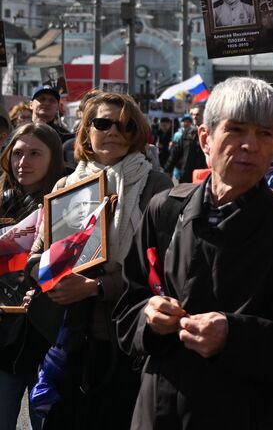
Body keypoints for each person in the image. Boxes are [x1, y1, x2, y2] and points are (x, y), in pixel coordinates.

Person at [113, 76, 273, 429]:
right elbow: (127, 310)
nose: (250, 145)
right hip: (158, 414)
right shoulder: (165, 210)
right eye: (236, 130)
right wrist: (149, 317)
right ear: (205, 138)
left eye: (264, 134)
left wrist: (233, 335)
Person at [30, 91, 173, 429]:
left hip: (129, 340)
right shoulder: (66, 185)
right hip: (68, 337)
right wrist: (54, 280)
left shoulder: (156, 185)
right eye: (103, 123)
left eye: (125, 125)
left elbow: (164, 269)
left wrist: (95, 287)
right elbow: (36, 256)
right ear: (86, 132)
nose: (113, 131)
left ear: (136, 133)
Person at [0, 123, 66, 427]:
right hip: (3, 339)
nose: (23, 162)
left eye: (34, 153)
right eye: (17, 153)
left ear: (54, 158)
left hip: (47, 339)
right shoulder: (2, 198)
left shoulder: (69, 204)